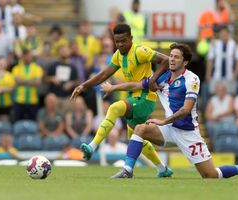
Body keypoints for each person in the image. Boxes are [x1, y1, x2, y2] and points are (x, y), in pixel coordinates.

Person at [101, 43, 238, 179]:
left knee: (210, 175)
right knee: (140, 129)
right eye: (171, 56)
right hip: (169, 129)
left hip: (187, 132)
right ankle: (127, 171)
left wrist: (162, 121)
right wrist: (113, 87)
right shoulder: (162, 77)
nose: (172, 59)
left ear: (185, 62)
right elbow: (137, 85)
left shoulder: (192, 79)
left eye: (176, 57)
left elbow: (186, 109)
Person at [70, 23, 171, 177]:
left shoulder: (140, 51)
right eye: (117, 41)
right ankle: (163, 169)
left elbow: (166, 60)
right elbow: (104, 75)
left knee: (114, 108)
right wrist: (83, 85)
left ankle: (92, 146)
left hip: (146, 98)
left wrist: (153, 79)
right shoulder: (118, 55)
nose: (121, 44)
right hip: (134, 97)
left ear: (130, 38)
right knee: (136, 138)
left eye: (124, 41)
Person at [206, 26, 238, 94]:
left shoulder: (234, 45)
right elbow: (210, 60)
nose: (224, 35)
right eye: (222, 33)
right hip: (217, 75)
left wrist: (235, 74)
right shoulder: (215, 44)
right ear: (220, 34)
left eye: (226, 33)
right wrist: (208, 74)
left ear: (229, 34)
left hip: (230, 75)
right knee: (215, 95)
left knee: (229, 95)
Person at [46, 45, 79, 114]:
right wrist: (52, 79)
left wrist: (71, 83)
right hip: (55, 95)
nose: (64, 52)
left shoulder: (73, 67)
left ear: (69, 52)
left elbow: (77, 81)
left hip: (67, 96)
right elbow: (45, 78)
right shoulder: (53, 65)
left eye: (65, 50)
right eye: (62, 50)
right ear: (59, 52)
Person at [12, 50, 43, 121]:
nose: (26, 57)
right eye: (24, 55)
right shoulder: (16, 68)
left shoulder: (37, 68)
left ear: (31, 56)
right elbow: (17, 81)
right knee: (18, 122)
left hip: (33, 100)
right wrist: (31, 80)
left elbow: (37, 82)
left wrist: (23, 81)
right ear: (22, 57)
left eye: (28, 55)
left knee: (32, 122)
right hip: (19, 100)